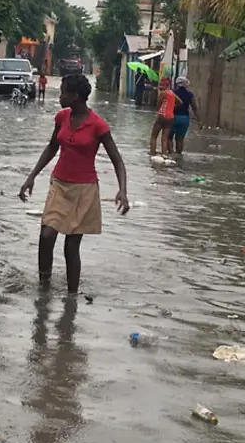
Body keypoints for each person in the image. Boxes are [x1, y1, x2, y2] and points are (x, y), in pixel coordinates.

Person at [18, 74, 129, 293]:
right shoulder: (61, 118)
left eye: (63, 92)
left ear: (75, 96)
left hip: (84, 190)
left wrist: (122, 190)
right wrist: (31, 176)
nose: (59, 96)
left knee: (71, 245)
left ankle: (72, 297)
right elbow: (52, 147)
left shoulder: (98, 125)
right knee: (46, 235)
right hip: (59, 184)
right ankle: (44, 288)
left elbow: (117, 160)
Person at [169, 77, 202, 154]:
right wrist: (199, 121)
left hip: (172, 117)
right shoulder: (190, 94)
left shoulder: (172, 93)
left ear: (177, 84)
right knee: (180, 139)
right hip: (184, 119)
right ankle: (179, 156)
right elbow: (195, 108)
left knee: (169, 137)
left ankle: (171, 154)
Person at [149, 77, 181, 155]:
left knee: (153, 136)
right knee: (165, 138)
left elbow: (158, 106)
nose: (160, 87)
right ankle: (164, 154)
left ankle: (152, 152)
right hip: (170, 117)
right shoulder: (172, 93)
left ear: (166, 86)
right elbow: (180, 102)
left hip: (162, 116)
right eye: (160, 85)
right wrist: (172, 107)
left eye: (162, 85)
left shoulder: (163, 93)